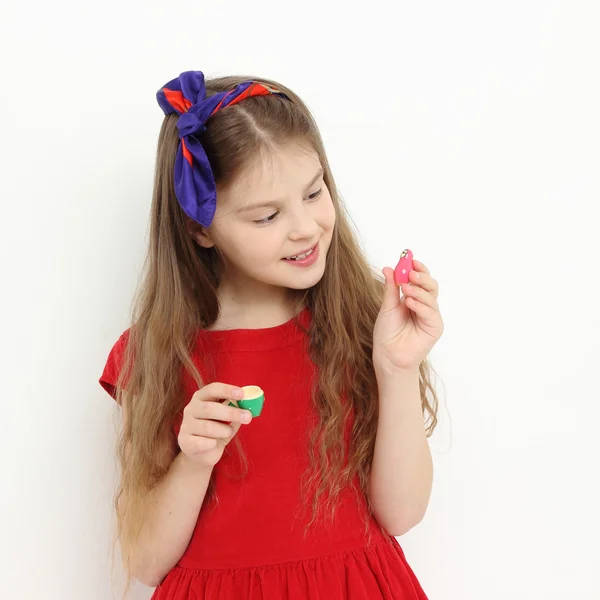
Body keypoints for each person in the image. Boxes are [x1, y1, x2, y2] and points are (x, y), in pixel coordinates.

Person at [99, 70, 445, 600]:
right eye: (267, 217)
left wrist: (395, 370)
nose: (305, 227)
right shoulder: (157, 354)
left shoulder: (361, 323)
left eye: (314, 192)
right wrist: (194, 458)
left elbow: (400, 514)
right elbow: (145, 560)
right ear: (201, 228)